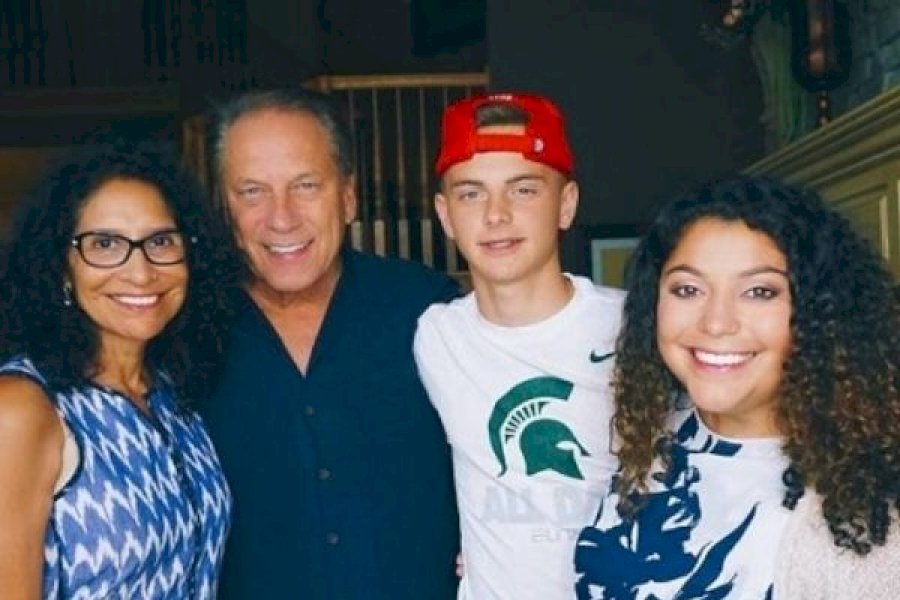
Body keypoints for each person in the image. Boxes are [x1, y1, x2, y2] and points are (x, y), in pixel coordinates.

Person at [574, 176, 900, 599]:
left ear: (821, 314)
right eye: (688, 289)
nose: (716, 322)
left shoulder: (871, 508)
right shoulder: (652, 436)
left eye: (759, 291)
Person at [198, 87, 461, 599]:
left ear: (348, 196)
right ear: (225, 209)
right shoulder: (185, 333)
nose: (281, 217)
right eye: (252, 191)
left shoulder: (428, 311)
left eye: (306, 185)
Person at [413, 92, 624, 599]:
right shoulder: (436, 336)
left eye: (523, 190)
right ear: (445, 216)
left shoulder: (634, 326)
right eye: (470, 194)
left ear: (566, 204)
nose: (496, 215)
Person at [0, 145, 234, 598]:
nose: (141, 273)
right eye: (104, 244)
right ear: (61, 267)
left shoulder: (172, 393)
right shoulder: (23, 408)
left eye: (161, 241)